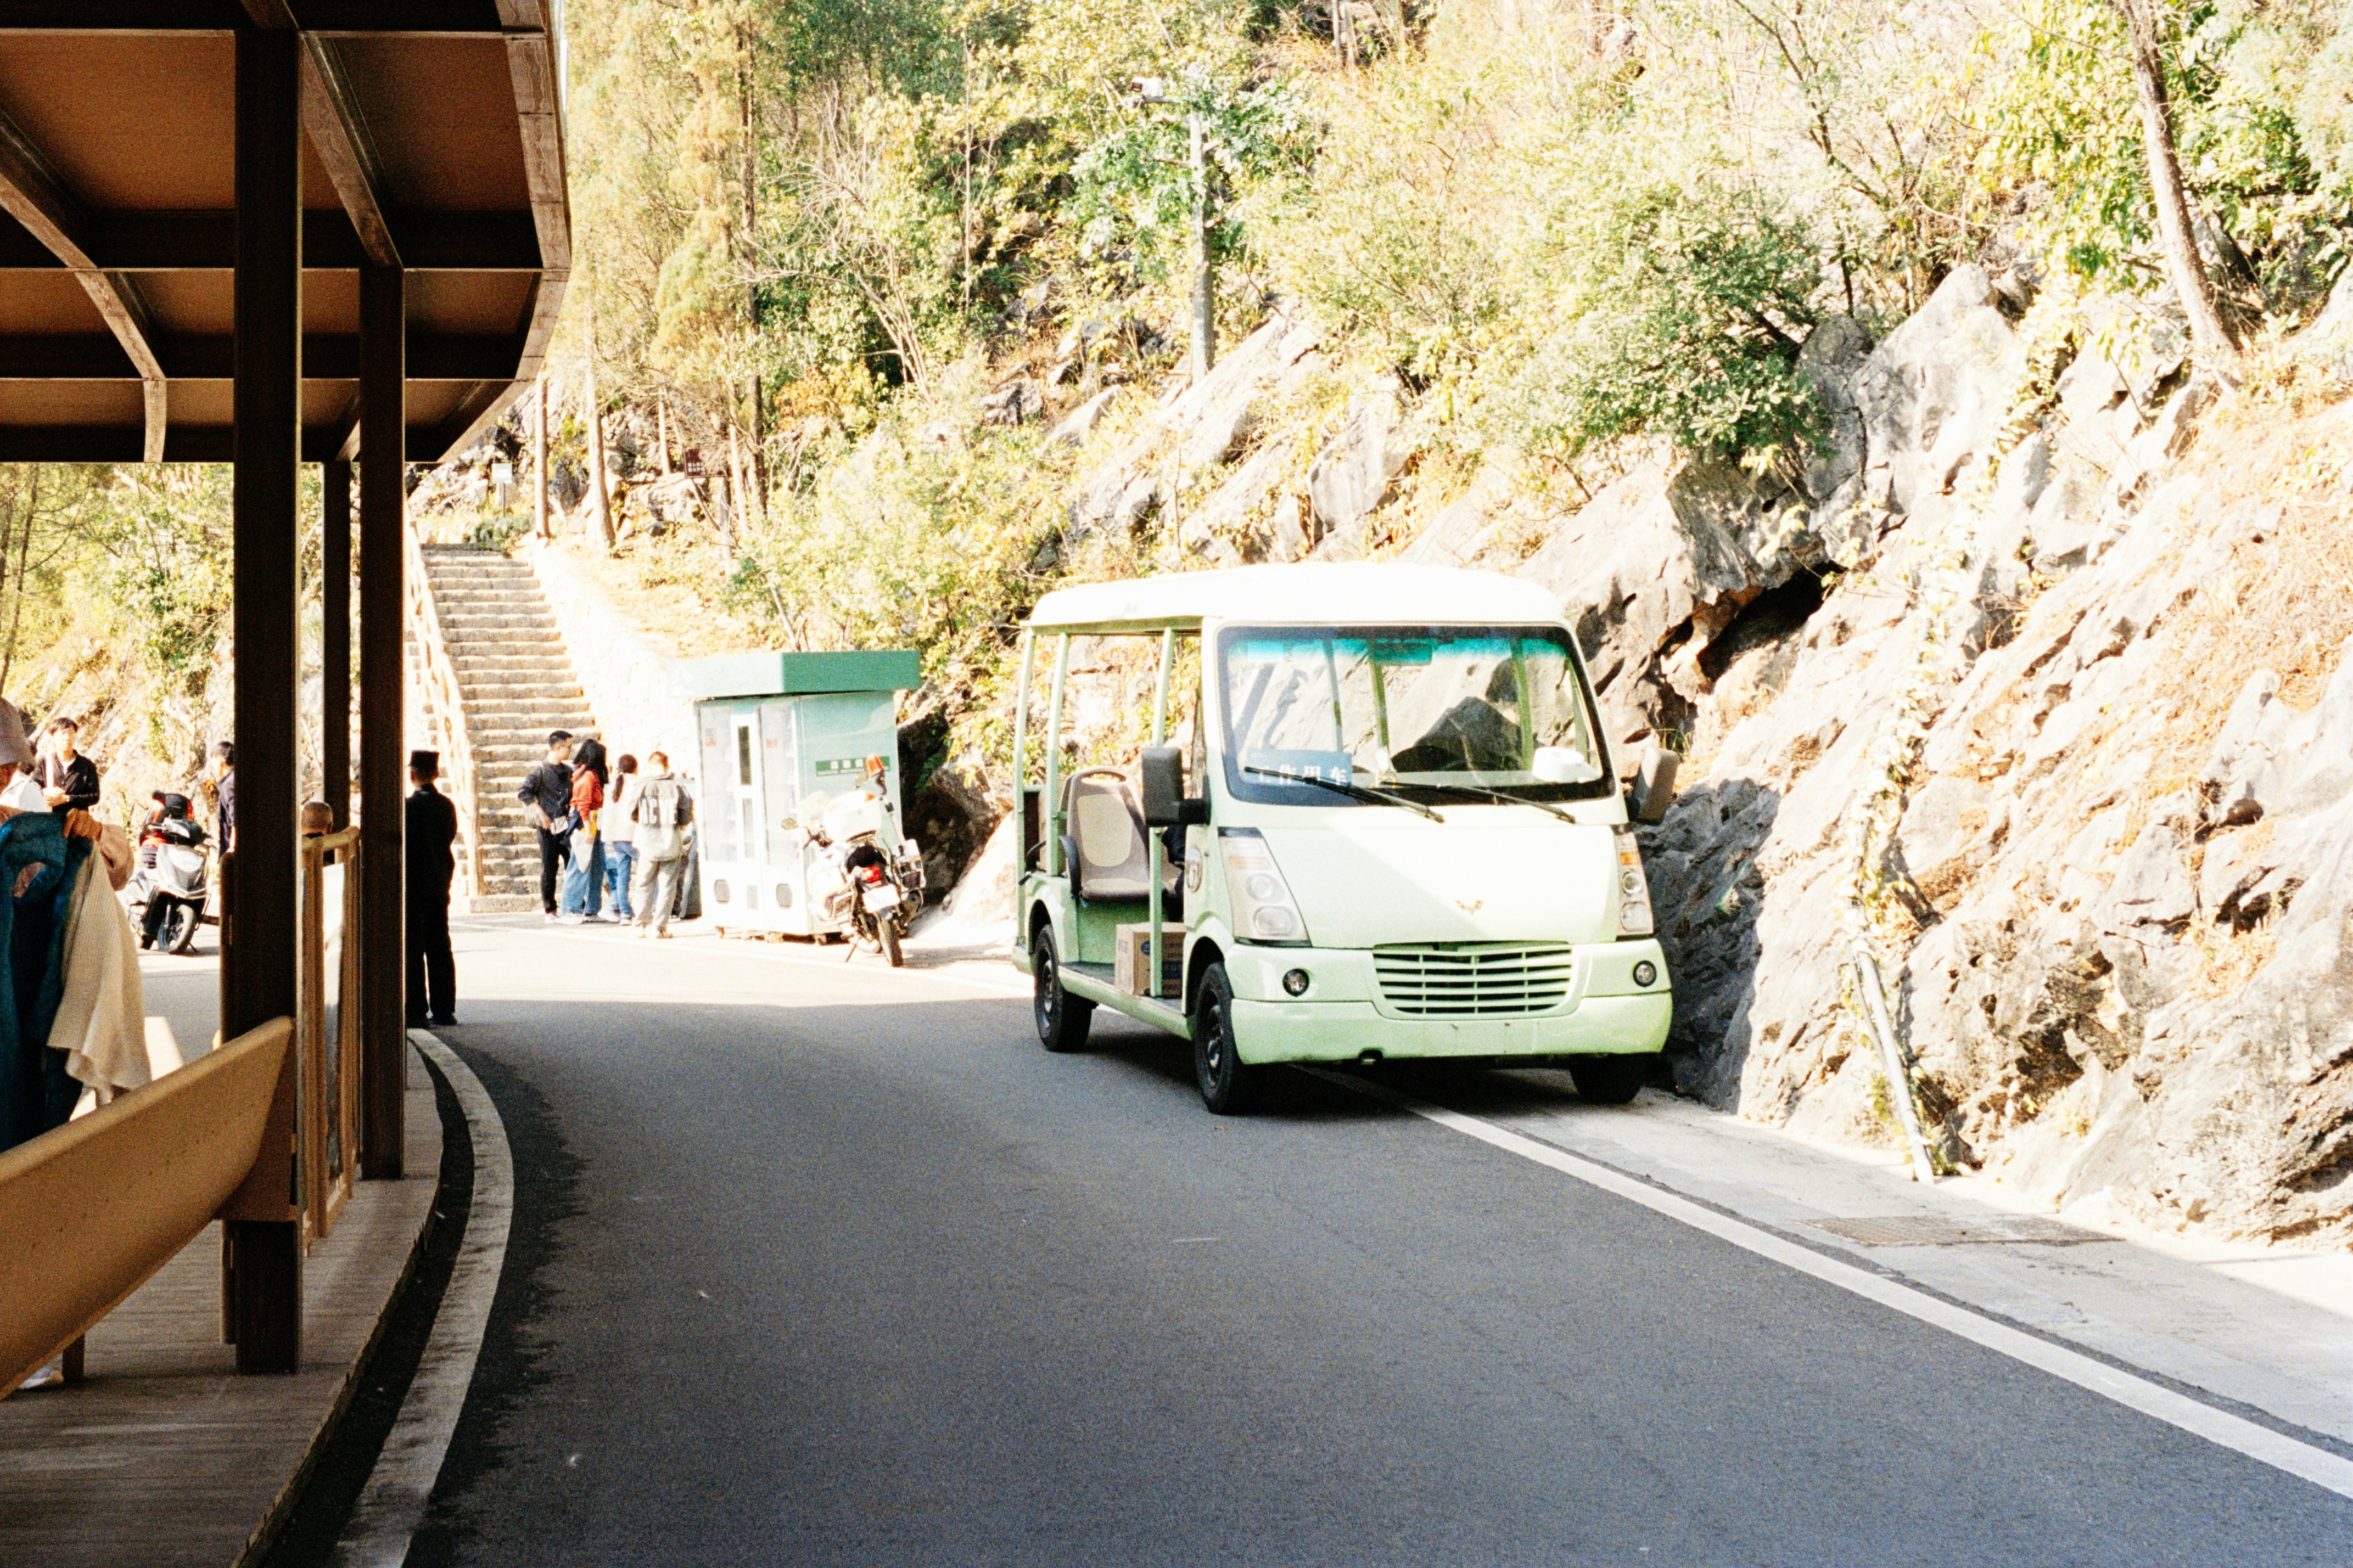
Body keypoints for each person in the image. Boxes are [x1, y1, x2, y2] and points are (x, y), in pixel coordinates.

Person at [406, 751, 457, 1026]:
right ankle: (444, 1008)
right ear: (436, 775)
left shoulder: (407, 809)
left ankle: (416, 1010)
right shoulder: (447, 806)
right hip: (439, 883)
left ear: (412, 775)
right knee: (440, 946)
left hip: (413, 887)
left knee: (413, 947)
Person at [628, 750, 693, 939]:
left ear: (650, 766)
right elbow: (687, 816)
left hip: (647, 843)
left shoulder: (641, 786)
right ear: (667, 765)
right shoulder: (678, 787)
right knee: (667, 887)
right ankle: (659, 928)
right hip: (671, 843)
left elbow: (632, 812)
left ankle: (640, 926)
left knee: (644, 884)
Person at [517, 730, 574, 920]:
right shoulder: (539, 771)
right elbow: (524, 792)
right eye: (569, 747)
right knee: (549, 868)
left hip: (566, 826)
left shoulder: (568, 771)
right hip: (547, 828)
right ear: (558, 748)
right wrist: (540, 812)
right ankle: (550, 909)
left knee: (572, 864)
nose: (571, 750)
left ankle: (573, 905)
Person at [558, 737, 608, 923]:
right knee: (579, 867)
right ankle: (568, 910)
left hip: (592, 824)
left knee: (596, 866)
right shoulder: (588, 777)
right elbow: (583, 806)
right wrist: (588, 830)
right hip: (585, 825)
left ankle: (592, 909)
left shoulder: (585, 774)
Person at [602, 752, 640, 923]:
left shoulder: (613, 786)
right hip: (634, 837)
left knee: (623, 877)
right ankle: (654, 908)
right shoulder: (637, 784)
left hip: (617, 838)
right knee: (648, 872)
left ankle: (625, 913)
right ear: (636, 767)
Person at [36, 717, 99, 814]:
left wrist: (67, 799)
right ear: (53, 737)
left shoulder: (87, 765)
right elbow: (33, 787)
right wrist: (45, 793)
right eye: (63, 734)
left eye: (71, 734)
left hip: (76, 822)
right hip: (48, 821)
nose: (67, 738)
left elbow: (94, 796)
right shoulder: (44, 762)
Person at [204, 740, 236, 855]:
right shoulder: (233, 780)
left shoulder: (229, 785)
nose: (214, 768)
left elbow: (236, 819)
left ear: (221, 761)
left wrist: (232, 848)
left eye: (214, 763)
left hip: (232, 851)